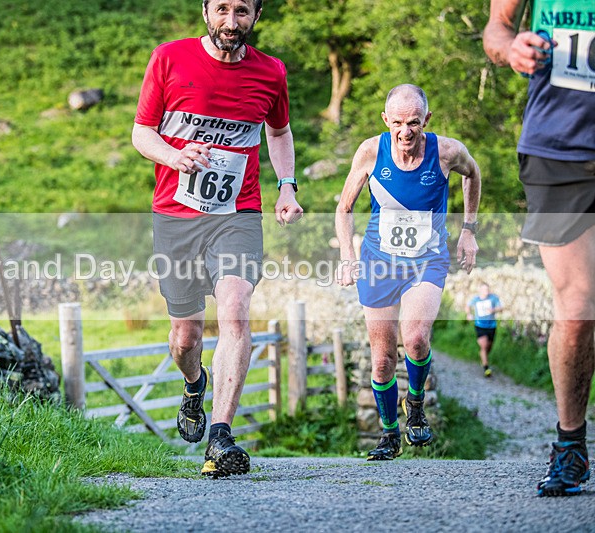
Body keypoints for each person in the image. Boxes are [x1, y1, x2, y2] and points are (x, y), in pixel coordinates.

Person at [132, 0, 302, 478]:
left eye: (243, 11)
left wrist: (286, 185)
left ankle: (221, 437)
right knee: (186, 336)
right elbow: (142, 133)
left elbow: (280, 131)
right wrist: (173, 155)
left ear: (257, 15)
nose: (232, 22)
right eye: (222, 9)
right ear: (206, 11)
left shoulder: (271, 72)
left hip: (238, 213)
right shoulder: (170, 58)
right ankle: (193, 384)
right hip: (176, 217)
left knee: (234, 310)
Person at [484, 0, 595, 497]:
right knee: (577, 308)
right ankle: (570, 446)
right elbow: (497, 31)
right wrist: (513, 50)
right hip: (559, 150)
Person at [336, 84, 481, 461]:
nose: (405, 132)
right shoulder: (371, 151)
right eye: (398, 122)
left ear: (426, 120)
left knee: (415, 338)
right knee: (383, 359)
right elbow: (343, 208)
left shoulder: (446, 151)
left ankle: (414, 406)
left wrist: (469, 230)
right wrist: (347, 257)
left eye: (414, 122)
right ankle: (388, 435)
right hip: (378, 262)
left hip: (426, 259)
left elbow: (473, 174)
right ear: (386, 120)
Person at [466, 282, 504, 377]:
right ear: (480, 290)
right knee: (484, 346)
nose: (486, 291)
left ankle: (483, 357)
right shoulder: (476, 299)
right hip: (479, 325)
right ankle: (486, 368)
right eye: (484, 289)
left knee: (488, 347)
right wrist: (469, 314)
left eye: (487, 289)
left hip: (491, 326)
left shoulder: (493, 298)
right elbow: (467, 306)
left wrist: (493, 310)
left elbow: (501, 308)